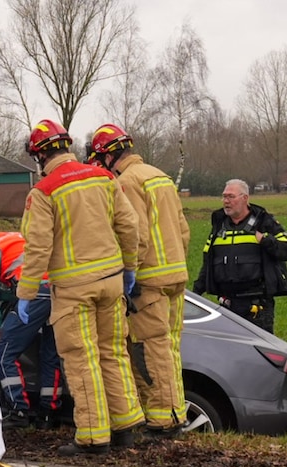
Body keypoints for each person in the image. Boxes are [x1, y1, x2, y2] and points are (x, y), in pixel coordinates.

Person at [18, 119, 144, 456]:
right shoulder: (103, 177)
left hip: (74, 289)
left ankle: (92, 437)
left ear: (40, 156)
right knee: (113, 353)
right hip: (112, 282)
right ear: (67, 146)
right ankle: (126, 425)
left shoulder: (44, 191)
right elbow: (129, 226)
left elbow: (37, 247)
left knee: (81, 359)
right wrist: (129, 268)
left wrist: (26, 293)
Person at [88, 123, 191, 438]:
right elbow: (182, 228)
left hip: (148, 280)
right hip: (175, 274)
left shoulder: (128, 181)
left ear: (108, 156)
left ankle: (162, 421)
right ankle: (175, 413)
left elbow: (136, 233)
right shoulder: (158, 175)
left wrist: (128, 271)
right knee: (169, 348)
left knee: (150, 349)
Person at [0, 223, 62, 430]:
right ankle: (48, 413)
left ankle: (18, 410)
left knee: (3, 354)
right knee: (50, 354)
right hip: (57, 291)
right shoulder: (16, 238)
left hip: (34, 294)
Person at [193, 179, 287, 335]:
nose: (226, 201)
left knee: (259, 352)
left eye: (231, 197)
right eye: (224, 197)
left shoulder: (263, 222)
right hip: (226, 304)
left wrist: (266, 240)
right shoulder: (219, 226)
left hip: (257, 306)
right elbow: (208, 263)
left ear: (245, 198)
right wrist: (195, 294)